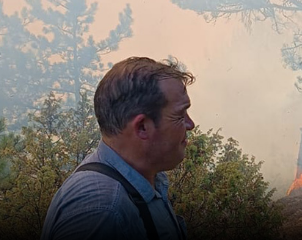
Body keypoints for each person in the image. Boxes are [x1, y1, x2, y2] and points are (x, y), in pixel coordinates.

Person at [41, 57, 196, 240]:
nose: (190, 124)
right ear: (142, 127)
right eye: (179, 115)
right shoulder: (101, 212)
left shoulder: (146, 178)